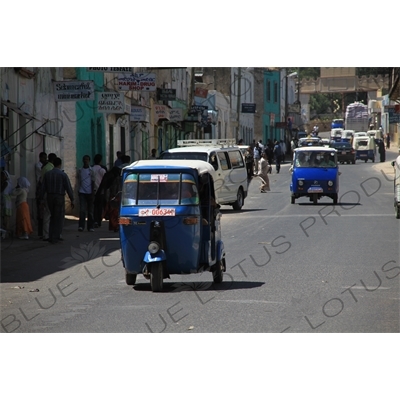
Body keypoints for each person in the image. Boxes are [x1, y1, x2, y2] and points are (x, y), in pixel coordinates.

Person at [40, 157, 74, 244]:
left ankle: (51, 236)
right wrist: (72, 199)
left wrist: (41, 199)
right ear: (60, 164)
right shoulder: (63, 175)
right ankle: (56, 236)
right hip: (59, 197)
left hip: (50, 196)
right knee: (58, 217)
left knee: (52, 216)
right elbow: (68, 188)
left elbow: (43, 188)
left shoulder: (48, 174)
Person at [96, 166, 121, 232]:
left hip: (110, 196)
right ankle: (116, 226)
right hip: (116, 196)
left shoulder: (108, 176)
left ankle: (114, 225)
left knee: (111, 212)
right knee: (115, 212)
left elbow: (103, 186)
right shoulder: (118, 178)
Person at [41, 153, 57, 241]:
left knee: (47, 214)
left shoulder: (45, 168)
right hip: (51, 193)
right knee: (50, 214)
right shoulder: (51, 169)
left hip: (46, 192)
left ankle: (46, 234)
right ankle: (49, 234)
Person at [77, 155, 95, 232]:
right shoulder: (80, 170)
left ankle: (90, 226)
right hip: (82, 192)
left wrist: (93, 191)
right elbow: (78, 181)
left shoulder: (91, 171)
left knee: (90, 211)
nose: (85, 161)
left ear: (89, 160)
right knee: (82, 210)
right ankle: (81, 226)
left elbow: (93, 181)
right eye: (84, 159)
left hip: (90, 192)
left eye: (87, 159)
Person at [92, 154, 107, 228]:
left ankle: (95, 220)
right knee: (100, 206)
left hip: (92, 190)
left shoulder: (91, 169)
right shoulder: (102, 170)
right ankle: (99, 221)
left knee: (94, 206)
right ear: (100, 161)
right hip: (101, 191)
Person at [35, 152, 47, 238]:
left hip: (43, 192)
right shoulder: (39, 166)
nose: (45, 159)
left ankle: (43, 232)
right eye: (44, 158)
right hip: (40, 191)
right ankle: (41, 233)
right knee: (41, 214)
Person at [1, 170, 13, 238]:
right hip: (5, 200)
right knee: (5, 217)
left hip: (5, 201)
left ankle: (6, 232)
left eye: (2, 176)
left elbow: (1, 190)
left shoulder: (6, 183)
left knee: (6, 217)